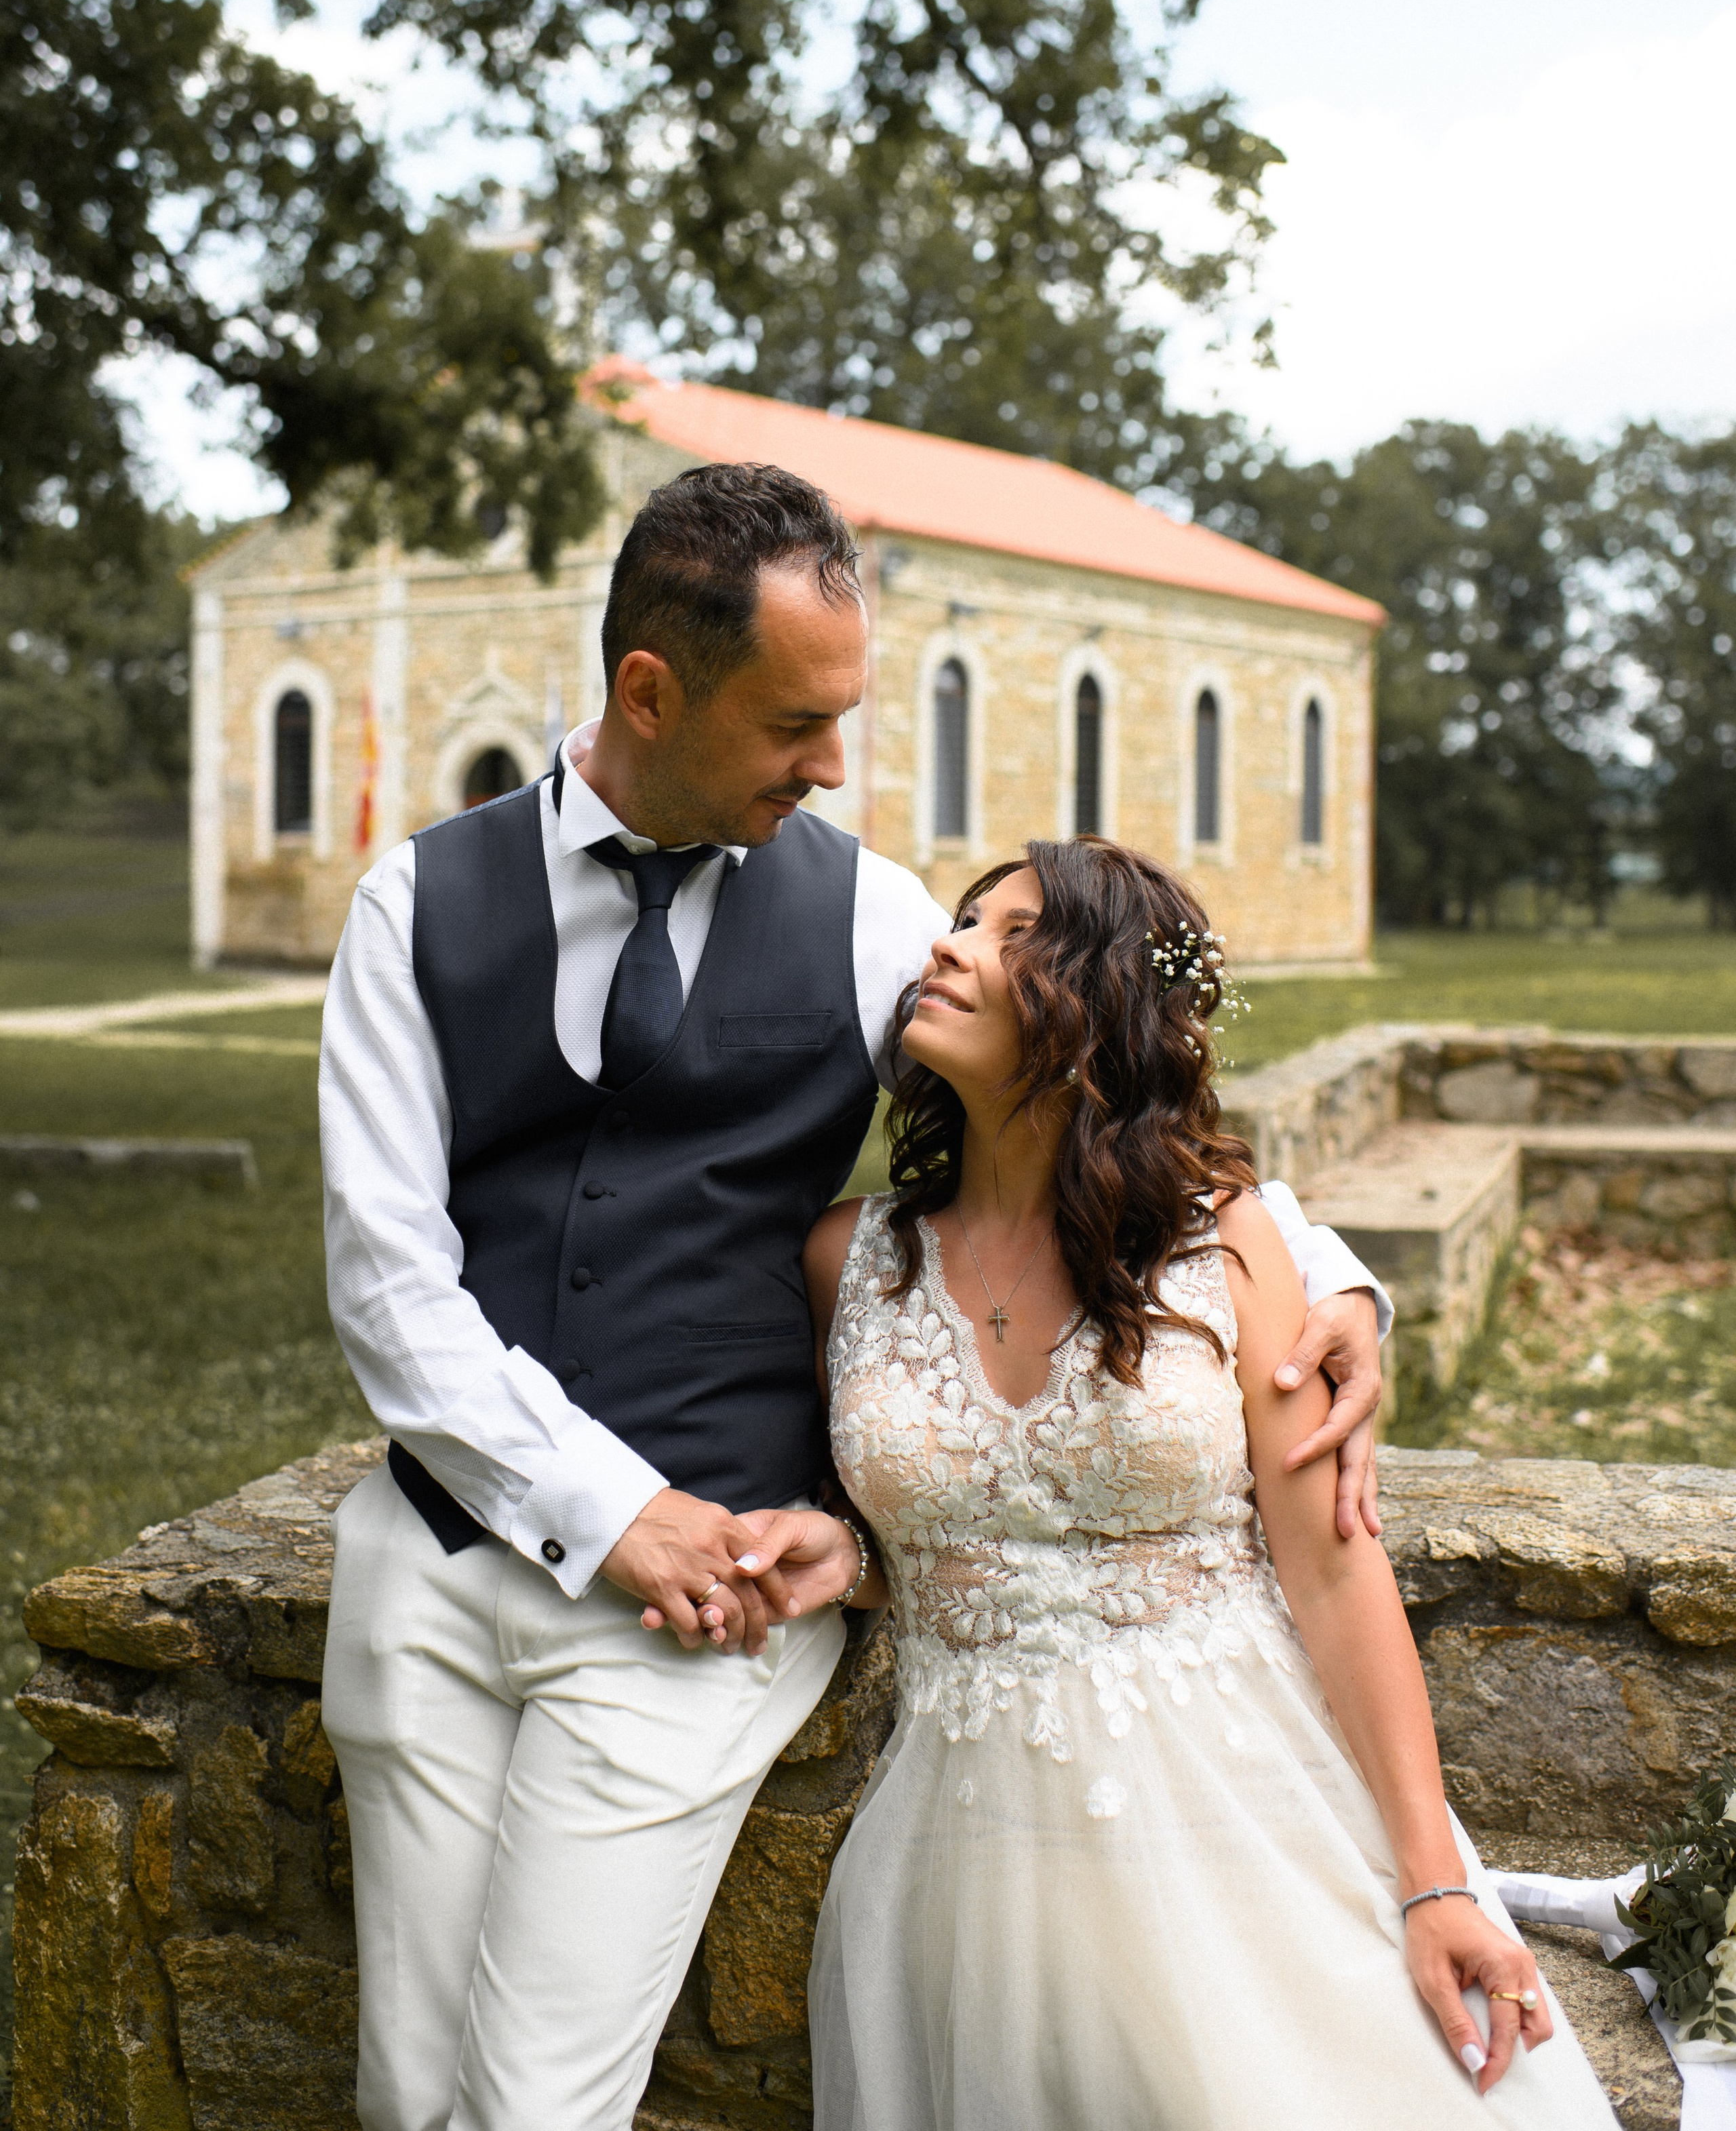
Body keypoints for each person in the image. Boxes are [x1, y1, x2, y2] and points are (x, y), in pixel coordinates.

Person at [317, 462, 1392, 2131]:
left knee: (531, 2106)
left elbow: (1103, 1094)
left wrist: (1335, 1284)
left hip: (717, 1593)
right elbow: (389, 1284)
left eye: (848, 718)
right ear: (649, 690)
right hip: (432, 1570)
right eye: (793, 725)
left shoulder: (871, 915)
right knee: (404, 2091)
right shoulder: (411, 906)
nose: (832, 767)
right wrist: (606, 1511)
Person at [774, 840, 1617, 2130]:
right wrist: (845, 1546)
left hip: (1243, 1812)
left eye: (1012, 936)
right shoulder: (850, 1260)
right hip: (962, 1851)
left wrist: (1435, 1880)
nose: (947, 949)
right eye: (961, 922)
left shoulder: (1224, 1248)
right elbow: (932, 1512)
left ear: (1099, 1007)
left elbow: (1335, 1569)